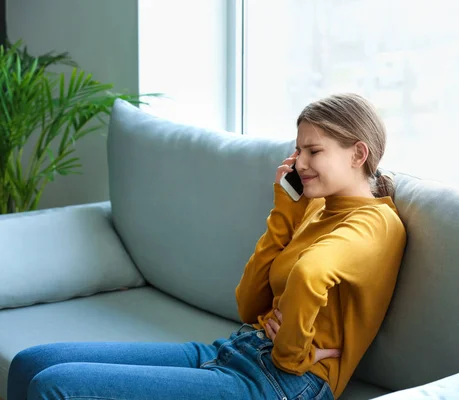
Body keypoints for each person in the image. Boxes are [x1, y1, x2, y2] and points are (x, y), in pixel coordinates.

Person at [6, 93, 406, 400]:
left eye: (313, 151)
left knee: (55, 386)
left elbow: (309, 274)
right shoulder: (315, 208)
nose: (299, 162)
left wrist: (292, 356)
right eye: (298, 149)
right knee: (31, 363)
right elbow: (248, 305)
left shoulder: (374, 224)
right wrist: (284, 211)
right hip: (239, 349)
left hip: (280, 382)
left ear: (358, 153)